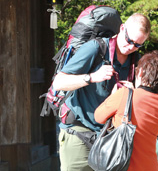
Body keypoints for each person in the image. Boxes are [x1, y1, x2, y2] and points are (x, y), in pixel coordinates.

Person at [53, 13, 151, 171]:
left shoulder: (135, 61)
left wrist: (134, 93)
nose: (131, 47)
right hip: (79, 131)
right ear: (122, 28)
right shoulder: (96, 48)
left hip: (110, 136)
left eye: (138, 45)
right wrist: (91, 77)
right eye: (129, 39)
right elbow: (59, 82)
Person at [94, 50, 158, 171]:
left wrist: (114, 95)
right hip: (150, 166)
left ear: (140, 72)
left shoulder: (123, 94)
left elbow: (98, 117)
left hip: (123, 165)